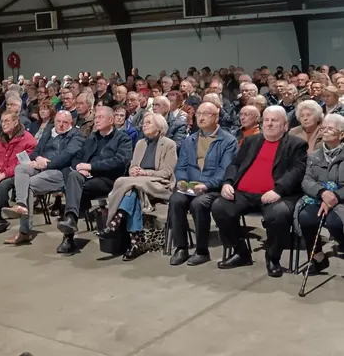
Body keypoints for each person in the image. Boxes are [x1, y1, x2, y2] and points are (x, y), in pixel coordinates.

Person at [211, 105, 307, 278]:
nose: (269, 124)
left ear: (285, 126)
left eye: (274, 121)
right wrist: (227, 183)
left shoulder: (296, 145)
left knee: (279, 214)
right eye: (266, 120)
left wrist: (278, 190)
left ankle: (273, 257)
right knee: (219, 206)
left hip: (277, 195)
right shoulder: (251, 141)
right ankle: (241, 252)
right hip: (244, 193)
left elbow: (297, 170)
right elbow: (235, 164)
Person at [168, 102, 238, 266]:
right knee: (176, 200)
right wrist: (182, 181)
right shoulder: (189, 140)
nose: (201, 117)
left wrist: (206, 185)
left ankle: (201, 251)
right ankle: (181, 248)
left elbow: (225, 170)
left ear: (216, 116)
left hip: (213, 188)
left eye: (206, 113)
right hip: (191, 185)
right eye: (199, 113)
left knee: (199, 204)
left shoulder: (228, 141)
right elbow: (181, 166)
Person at [56, 106, 133, 254]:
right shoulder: (92, 137)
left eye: (100, 118)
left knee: (73, 189)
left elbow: (119, 162)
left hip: (109, 180)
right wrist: (80, 167)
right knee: (73, 177)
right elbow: (77, 157)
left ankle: (69, 235)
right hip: (86, 179)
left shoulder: (123, 138)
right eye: (95, 117)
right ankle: (70, 222)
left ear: (111, 120)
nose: (96, 121)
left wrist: (91, 167)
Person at [1, 110, 83, 245]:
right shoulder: (49, 131)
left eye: (65, 122)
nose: (61, 125)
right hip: (40, 166)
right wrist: (37, 158)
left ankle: (24, 232)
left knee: (29, 184)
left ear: (71, 123)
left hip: (60, 171)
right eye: (58, 121)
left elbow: (67, 156)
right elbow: (35, 151)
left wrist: (45, 164)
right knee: (20, 168)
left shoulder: (76, 135)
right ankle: (21, 204)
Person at [105, 112, 177, 260]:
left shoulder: (169, 144)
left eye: (148, 122)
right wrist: (134, 170)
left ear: (159, 127)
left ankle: (116, 220)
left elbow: (167, 172)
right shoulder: (140, 143)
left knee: (129, 186)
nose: (144, 125)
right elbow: (133, 166)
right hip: (138, 184)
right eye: (144, 122)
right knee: (132, 190)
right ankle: (134, 243)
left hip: (159, 184)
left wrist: (145, 173)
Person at [294, 114, 344, 275]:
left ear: (342, 134)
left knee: (335, 223)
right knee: (306, 218)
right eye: (323, 128)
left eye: (330, 128)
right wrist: (322, 193)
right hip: (317, 198)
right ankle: (317, 257)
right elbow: (306, 180)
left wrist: (335, 196)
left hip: (341, 200)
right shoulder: (314, 155)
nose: (325, 131)